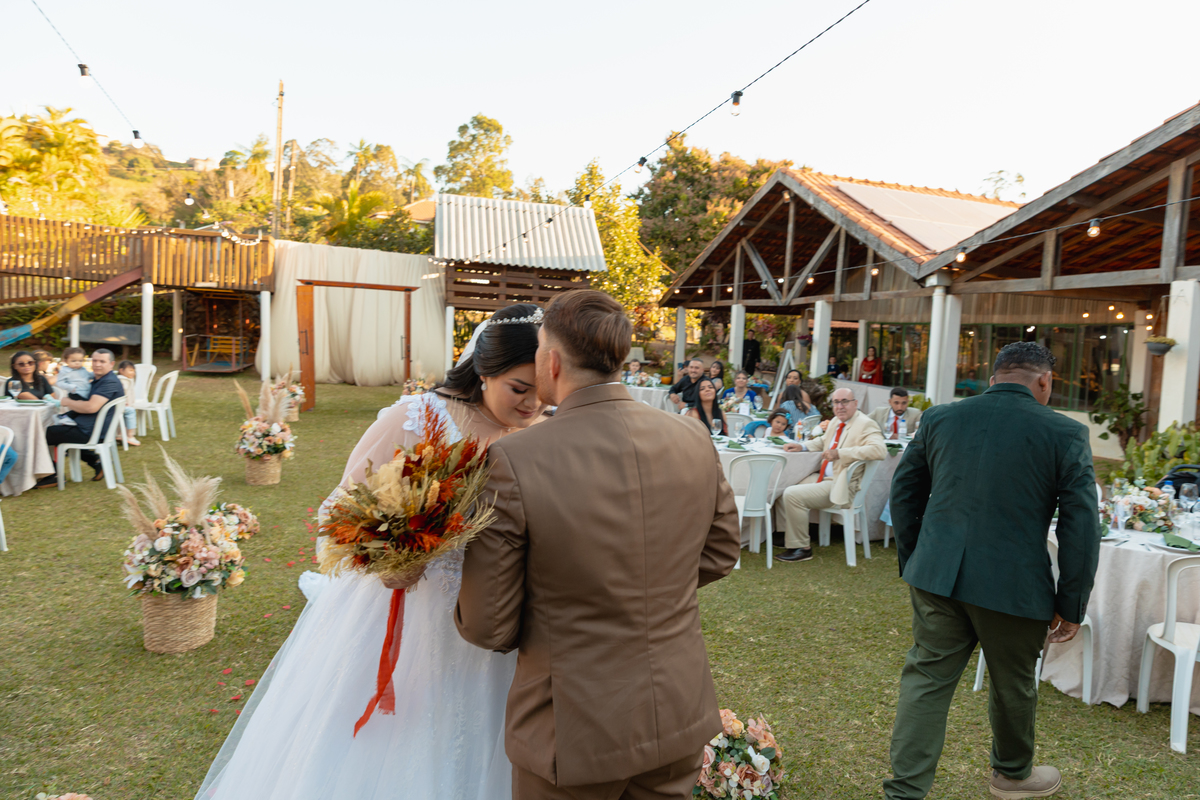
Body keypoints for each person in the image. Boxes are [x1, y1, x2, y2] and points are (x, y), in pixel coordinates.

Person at [194, 303, 548, 800]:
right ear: (485, 370)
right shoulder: (418, 417)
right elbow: (339, 509)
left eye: (542, 392)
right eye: (519, 389)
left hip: (496, 618)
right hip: (414, 608)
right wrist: (387, 560)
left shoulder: (541, 435)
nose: (533, 405)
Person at [456, 289, 741, 799]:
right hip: (675, 709)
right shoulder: (692, 437)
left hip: (574, 725)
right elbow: (721, 554)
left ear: (552, 360)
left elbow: (488, 623)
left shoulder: (515, 459)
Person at [884, 342, 1100, 800]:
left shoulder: (940, 417)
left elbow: (903, 493)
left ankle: (904, 792)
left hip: (936, 576)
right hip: (1014, 584)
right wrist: (1072, 602)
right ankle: (1012, 775)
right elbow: (1081, 524)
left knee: (925, 680)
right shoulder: (1065, 432)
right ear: (1045, 381)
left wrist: (917, 560)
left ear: (994, 376)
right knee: (1013, 684)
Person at [776, 388, 886, 562]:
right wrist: (802, 446)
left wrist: (840, 453)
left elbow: (879, 450)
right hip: (825, 478)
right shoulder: (836, 421)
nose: (840, 406)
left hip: (842, 483)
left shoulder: (865, 423)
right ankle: (789, 536)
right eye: (836, 402)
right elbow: (824, 441)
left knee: (792, 495)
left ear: (855, 403)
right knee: (783, 486)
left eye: (844, 402)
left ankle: (801, 548)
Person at [38, 349, 123, 485]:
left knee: (42, 433)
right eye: (95, 361)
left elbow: (91, 407)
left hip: (91, 431)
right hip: (89, 427)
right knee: (56, 429)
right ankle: (96, 462)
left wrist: (67, 401)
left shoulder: (109, 382)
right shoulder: (97, 379)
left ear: (111, 364)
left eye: (102, 361)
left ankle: (53, 475)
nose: (97, 364)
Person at [52, 347, 93, 427]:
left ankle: (64, 416)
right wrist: (71, 387)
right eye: (73, 361)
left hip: (85, 392)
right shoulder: (65, 371)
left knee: (82, 408)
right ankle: (65, 417)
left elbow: (88, 376)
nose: (77, 363)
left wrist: (95, 375)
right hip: (75, 392)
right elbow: (59, 382)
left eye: (80, 361)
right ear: (66, 361)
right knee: (82, 407)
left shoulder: (83, 369)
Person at [114, 360, 142, 446]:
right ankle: (130, 435)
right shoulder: (123, 380)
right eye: (130, 370)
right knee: (130, 413)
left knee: (122, 417)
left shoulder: (124, 379)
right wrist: (124, 401)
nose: (133, 373)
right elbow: (123, 392)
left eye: (133, 371)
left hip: (119, 405)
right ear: (121, 371)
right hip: (121, 405)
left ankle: (120, 434)